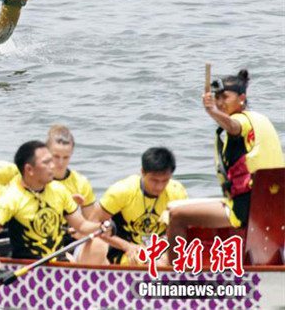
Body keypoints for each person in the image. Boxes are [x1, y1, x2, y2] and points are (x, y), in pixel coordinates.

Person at [166, 69, 284, 259]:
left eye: (225, 97)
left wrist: (211, 111)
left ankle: (173, 276)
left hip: (244, 209)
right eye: (217, 98)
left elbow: (234, 127)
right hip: (270, 207)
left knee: (177, 216)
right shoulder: (260, 120)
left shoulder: (241, 121)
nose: (220, 102)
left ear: (242, 98)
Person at [0, 141, 111, 279]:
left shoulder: (59, 190)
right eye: (46, 163)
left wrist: (101, 226)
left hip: (58, 264)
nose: (53, 166)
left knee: (99, 244)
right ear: (29, 169)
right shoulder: (11, 198)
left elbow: (81, 225)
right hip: (28, 269)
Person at [79, 147, 187, 265]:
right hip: (123, 249)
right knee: (97, 245)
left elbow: (182, 230)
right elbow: (92, 225)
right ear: (142, 172)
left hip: (158, 249)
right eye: (154, 180)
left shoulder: (177, 192)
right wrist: (127, 246)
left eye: (165, 181)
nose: (159, 187)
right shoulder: (122, 191)